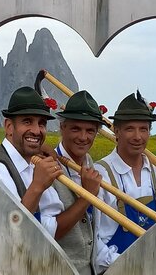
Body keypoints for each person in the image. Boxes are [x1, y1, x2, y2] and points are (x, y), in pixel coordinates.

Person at [93, 90, 156, 272]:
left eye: (143, 129)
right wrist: (131, 265)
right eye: (130, 129)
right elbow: (93, 242)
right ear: (116, 131)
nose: (138, 136)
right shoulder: (100, 173)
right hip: (116, 268)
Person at [0, 86, 64, 237]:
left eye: (41, 123)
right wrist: (37, 186)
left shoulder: (31, 162)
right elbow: (11, 232)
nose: (36, 130)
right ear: (9, 127)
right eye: (27, 122)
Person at [52, 90, 107, 275]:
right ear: (62, 127)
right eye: (76, 128)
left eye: (90, 130)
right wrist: (88, 196)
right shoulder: (47, 168)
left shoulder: (90, 162)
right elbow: (51, 232)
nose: (83, 137)